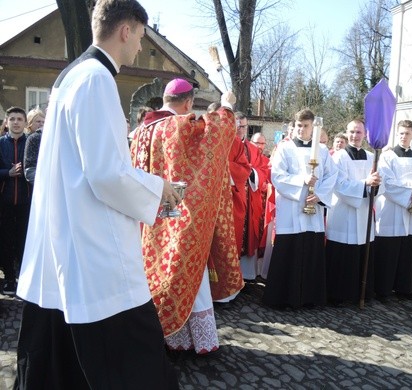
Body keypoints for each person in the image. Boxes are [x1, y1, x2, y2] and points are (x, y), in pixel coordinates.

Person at [14, 1, 180, 388]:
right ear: (126, 30)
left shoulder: (70, 76)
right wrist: (161, 191)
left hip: (66, 234)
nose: (140, 46)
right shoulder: (96, 79)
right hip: (93, 245)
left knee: (58, 361)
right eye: (140, 36)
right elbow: (105, 174)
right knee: (133, 360)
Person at [132, 78, 243, 354]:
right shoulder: (176, 125)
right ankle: (197, 341)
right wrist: (227, 106)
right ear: (188, 102)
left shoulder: (143, 128)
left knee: (154, 272)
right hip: (176, 216)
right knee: (189, 272)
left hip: (147, 216)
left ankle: (168, 336)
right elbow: (213, 133)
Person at [263, 109, 337, 308]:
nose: (302, 130)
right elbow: (277, 176)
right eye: (299, 126)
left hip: (314, 208)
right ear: (294, 127)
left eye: (306, 126)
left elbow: (332, 175)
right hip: (291, 209)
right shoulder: (284, 149)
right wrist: (301, 181)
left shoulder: (321, 150)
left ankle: (310, 297)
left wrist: (319, 194)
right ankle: (284, 297)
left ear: (313, 128)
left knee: (311, 250)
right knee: (290, 250)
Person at [374, 119, 412, 302]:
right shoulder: (387, 157)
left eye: (407, 134)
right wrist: (410, 190)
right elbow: (387, 184)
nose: (404, 137)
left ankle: (405, 288)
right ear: (396, 134)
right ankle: (382, 289)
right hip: (391, 210)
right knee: (388, 250)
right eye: (401, 133)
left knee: (409, 248)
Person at [326, 119, 380, 305]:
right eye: (351, 132)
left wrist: (376, 186)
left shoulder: (372, 157)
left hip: (364, 212)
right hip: (344, 212)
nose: (354, 136)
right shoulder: (339, 157)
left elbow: (382, 184)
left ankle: (362, 291)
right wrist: (365, 184)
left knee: (363, 252)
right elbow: (338, 185)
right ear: (346, 133)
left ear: (364, 134)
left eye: (358, 132)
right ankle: (339, 294)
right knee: (343, 254)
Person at [235, 112, 270, 282]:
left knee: (248, 234)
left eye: (243, 126)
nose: (240, 129)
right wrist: (240, 171)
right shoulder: (223, 146)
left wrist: (250, 172)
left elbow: (264, 170)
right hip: (231, 200)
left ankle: (246, 274)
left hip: (250, 200)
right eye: (237, 126)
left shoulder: (253, 149)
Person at [0, 106, 31, 296]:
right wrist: (8, 173)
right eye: (12, 119)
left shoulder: (32, 142)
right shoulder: (1, 143)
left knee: (25, 242)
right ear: (6, 122)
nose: (16, 122)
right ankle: (10, 279)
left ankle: (25, 280)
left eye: (20, 119)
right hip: (5, 202)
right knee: (5, 241)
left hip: (28, 203)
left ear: (25, 123)